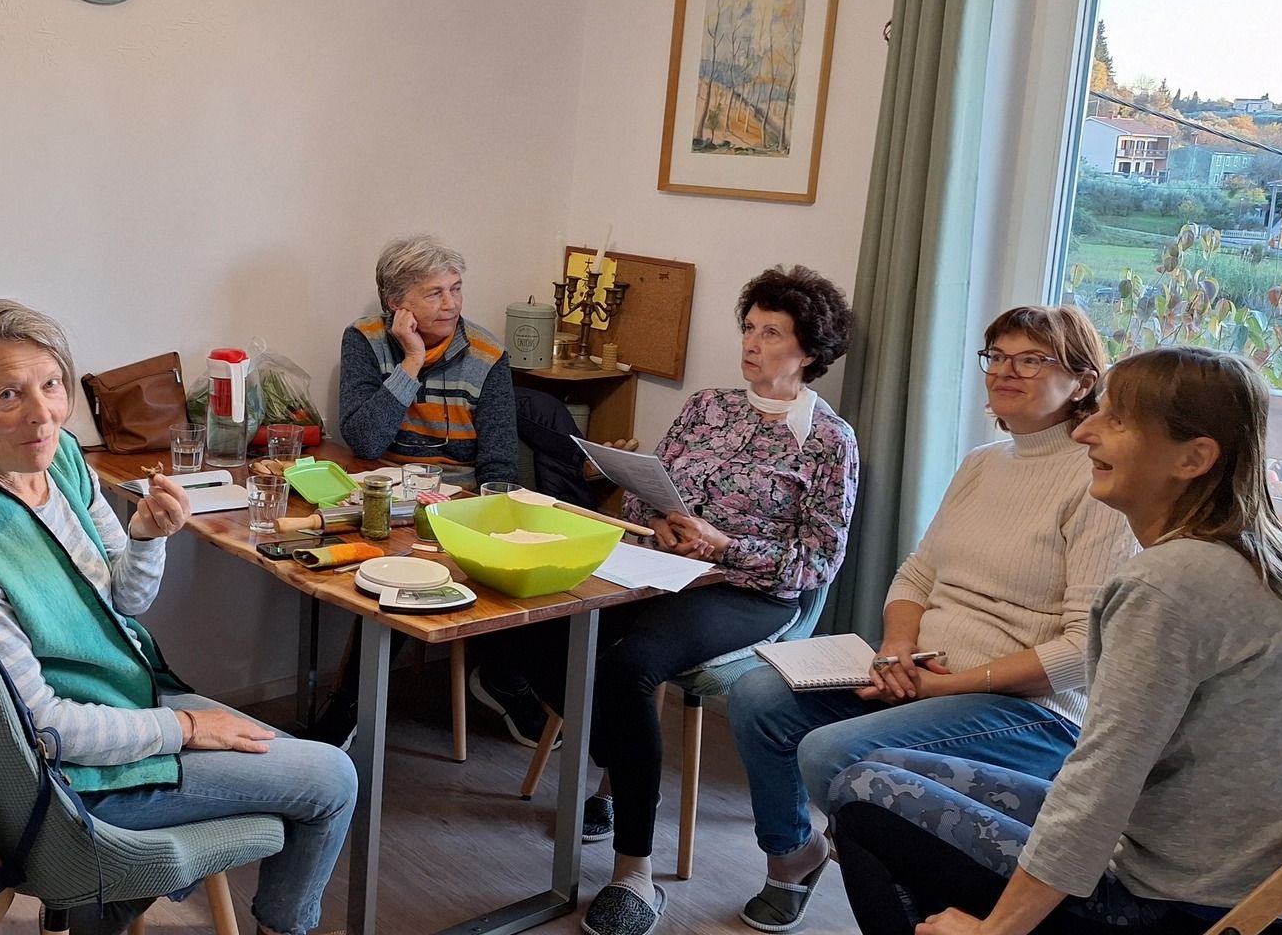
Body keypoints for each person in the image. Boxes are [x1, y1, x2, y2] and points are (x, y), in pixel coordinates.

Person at [0, 299, 356, 935]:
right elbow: (42, 729)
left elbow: (125, 601)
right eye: (8, 394)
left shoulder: (57, 459)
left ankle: (110, 905)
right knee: (331, 778)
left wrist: (146, 537)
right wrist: (185, 727)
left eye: (51, 385)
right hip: (71, 778)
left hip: (120, 704)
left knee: (305, 776)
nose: (42, 414)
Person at [830, 346, 1282, 935]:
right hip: (1251, 882)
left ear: (1194, 458)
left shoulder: (1170, 583)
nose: (1085, 431)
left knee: (861, 789)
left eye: (1116, 421)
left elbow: (1102, 781)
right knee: (885, 765)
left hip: (1186, 905)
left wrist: (997, 931)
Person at [474, 265, 860, 935]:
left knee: (630, 664)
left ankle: (634, 872)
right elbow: (649, 493)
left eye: (771, 333)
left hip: (753, 591)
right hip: (664, 566)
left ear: (809, 351)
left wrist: (723, 546)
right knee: (527, 620)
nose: (752, 343)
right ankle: (625, 763)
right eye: (749, 328)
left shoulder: (830, 441)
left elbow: (817, 563)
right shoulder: (708, 406)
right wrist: (660, 521)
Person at [724, 306, 1136, 932]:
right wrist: (895, 649)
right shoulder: (983, 463)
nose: (1006, 371)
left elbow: (1084, 650)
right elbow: (917, 574)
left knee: (833, 753)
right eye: (997, 356)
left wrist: (945, 685)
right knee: (758, 696)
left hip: (1032, 710)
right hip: (923, 675)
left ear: (1082, 382)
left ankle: (920, 906)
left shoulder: (1095, 483)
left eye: (1031, 360)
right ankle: (794, 857)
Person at [339, 234, 517, 489]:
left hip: (457, 495)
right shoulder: (365, 339)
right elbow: (365, 444)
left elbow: (499, 468)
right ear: (395, 303)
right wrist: (412, 360)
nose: (451, 304)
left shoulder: (489, 355)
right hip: (383, 488)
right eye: (434, 294)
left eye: (456, 289)